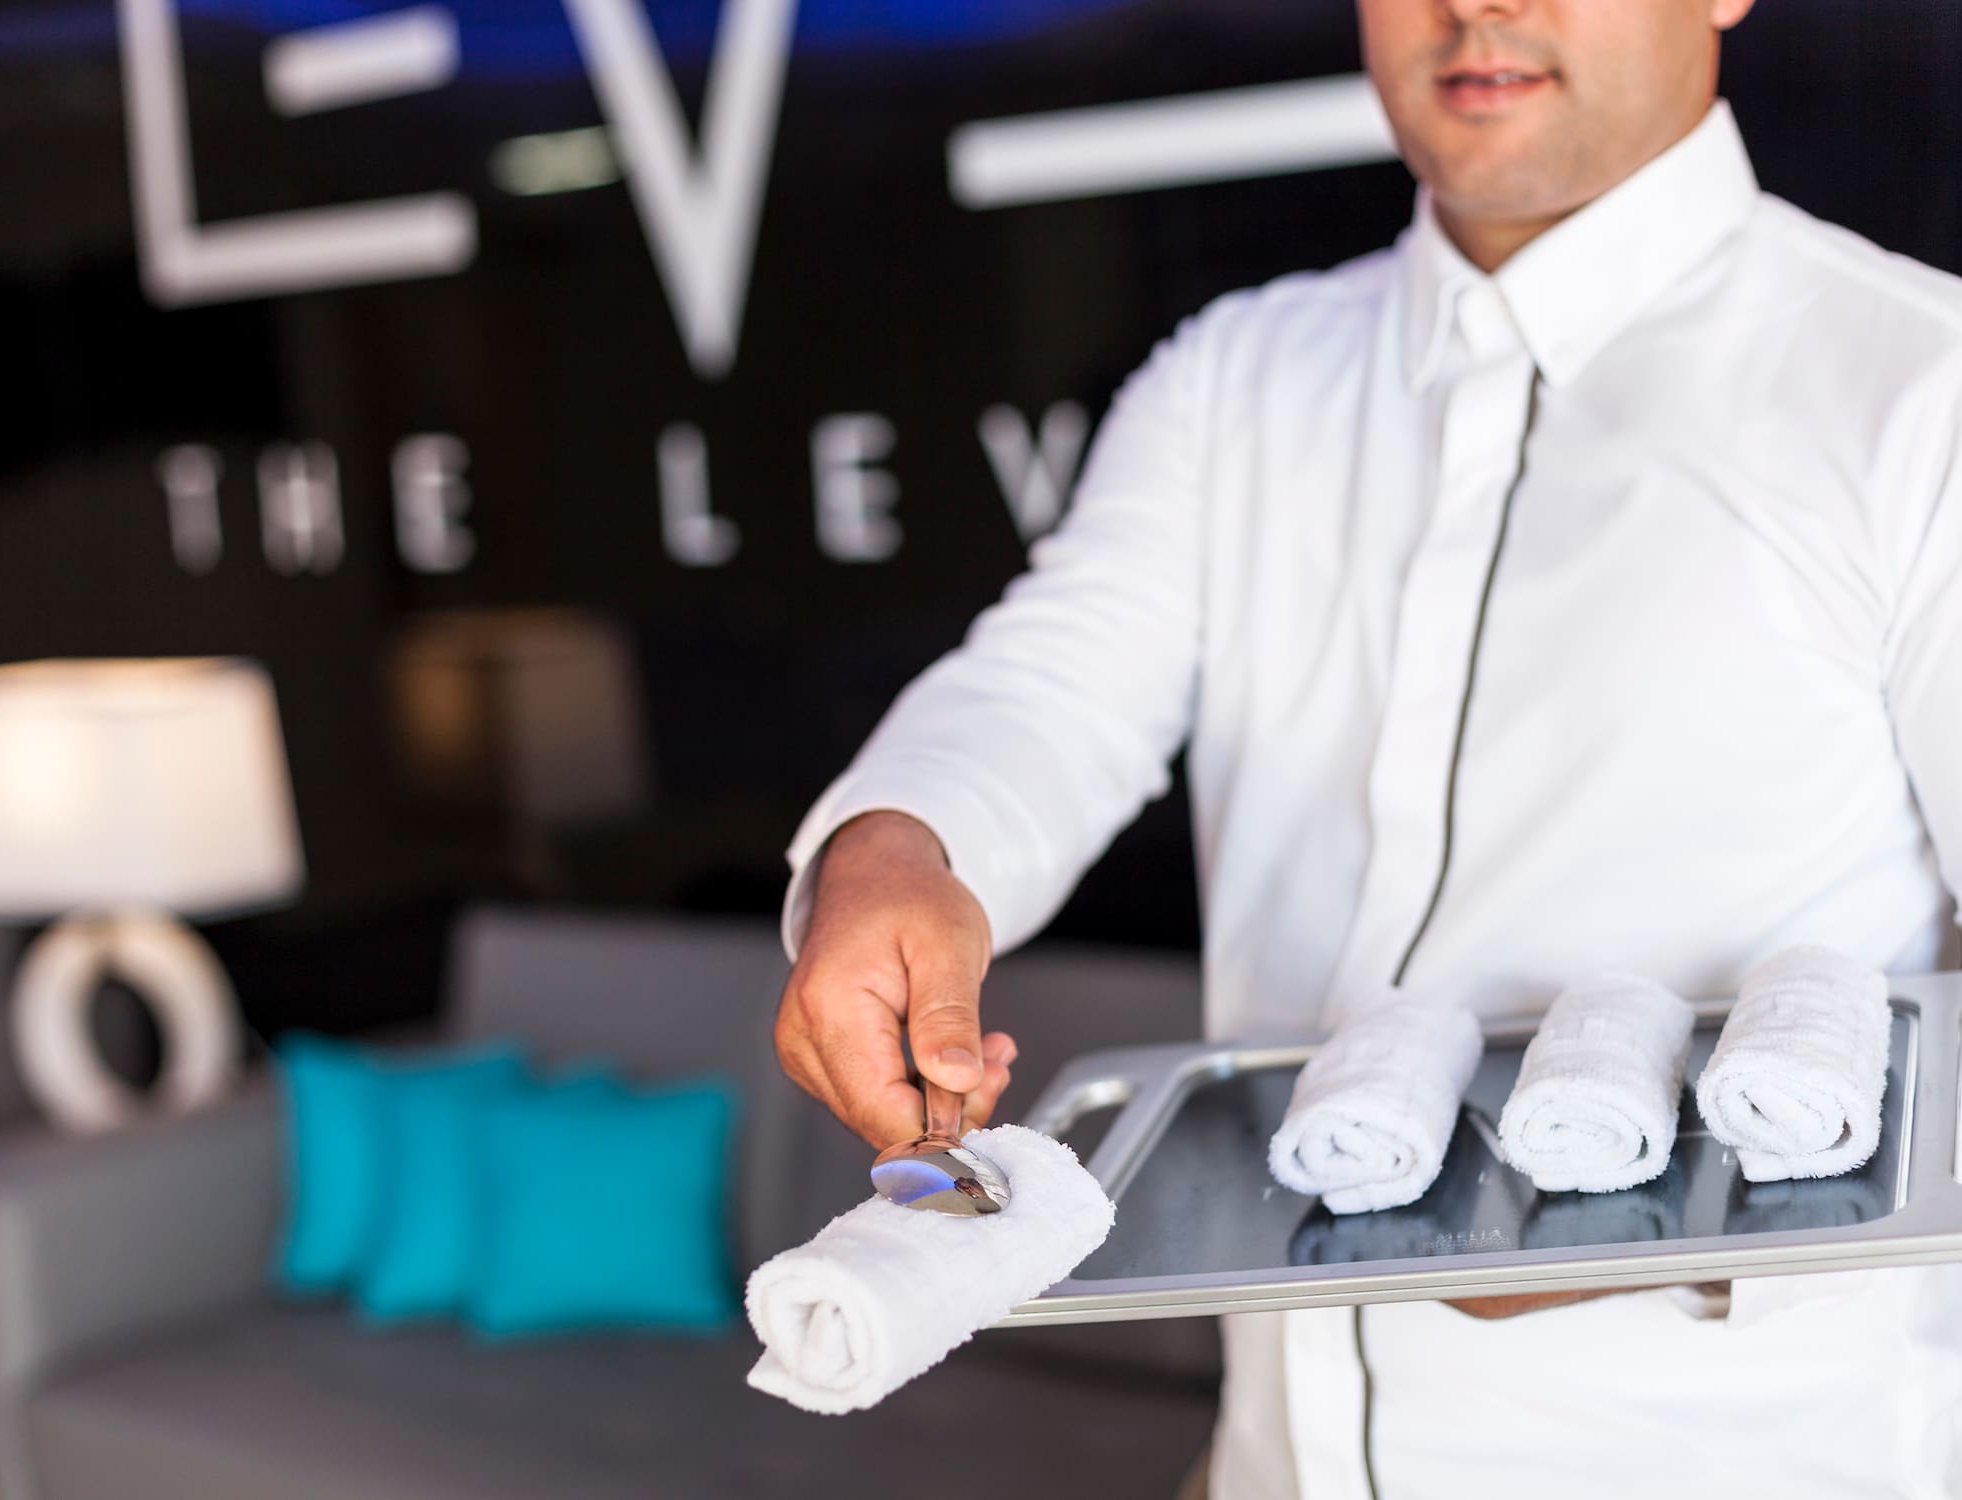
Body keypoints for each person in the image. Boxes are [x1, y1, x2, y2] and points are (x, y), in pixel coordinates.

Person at [773, 0, 1962, 1494]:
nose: (1478, 6)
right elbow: (1051, 688)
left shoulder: (1924, 396)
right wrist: (895, 851)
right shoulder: (1231, 380)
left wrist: (1673, 1226)